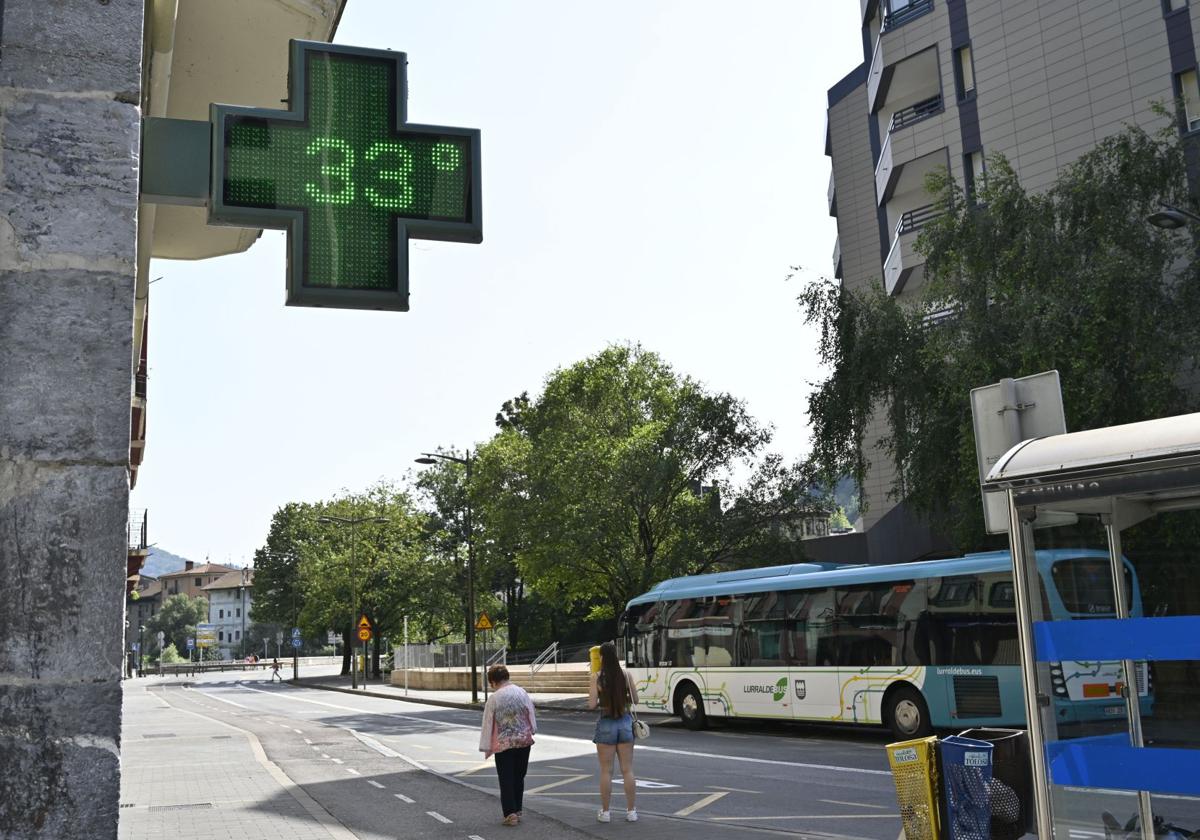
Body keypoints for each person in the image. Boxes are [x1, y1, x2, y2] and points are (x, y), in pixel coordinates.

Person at [478, 664, 537, 826]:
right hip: (524, 741)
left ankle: (510, 814)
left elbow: (488, 722)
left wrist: (486, 745)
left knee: (506, 778)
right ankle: (518, 809)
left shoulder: (495, 698)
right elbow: (530, 712)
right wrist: (532, 730)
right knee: (519, 776)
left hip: (504, 744)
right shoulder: (521, 692)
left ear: (493, 682)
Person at [588, 641, 639, 823]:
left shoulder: (597, 677)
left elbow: (592, 704)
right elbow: (636, 699)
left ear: (601, 657)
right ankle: (631, 811)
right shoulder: (625, 674)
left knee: (606, 771)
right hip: (625, 722)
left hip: (607, 722)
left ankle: (606, 812)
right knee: (627, 770)